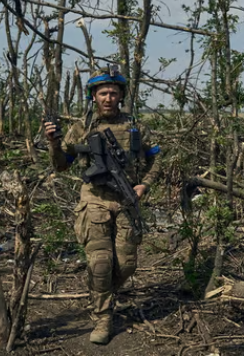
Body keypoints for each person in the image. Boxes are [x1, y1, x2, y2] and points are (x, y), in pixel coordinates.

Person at [44, 66, 161, 345]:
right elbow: (61, 166)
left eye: (113, 93)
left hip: (126, 200)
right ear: (93, 96)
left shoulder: (136, 127)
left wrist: (144, 184)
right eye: (102, 93)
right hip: (94, 199)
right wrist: (54, 144)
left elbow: (155, 158)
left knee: (127, 265)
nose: (108, 98)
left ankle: (100, 292)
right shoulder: (81, 128)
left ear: (121, 95)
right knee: (100, 263)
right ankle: (103, 318)